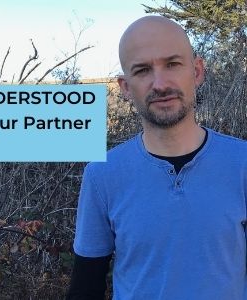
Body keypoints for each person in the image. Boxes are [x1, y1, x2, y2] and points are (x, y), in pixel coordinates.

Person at [67, 16, 247, 300]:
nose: (160, 84)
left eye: (173, 64)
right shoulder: (102, 174)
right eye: (142, 70)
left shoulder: (242, 163)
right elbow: (85, 288)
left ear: (197, 71)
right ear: (125, 87)